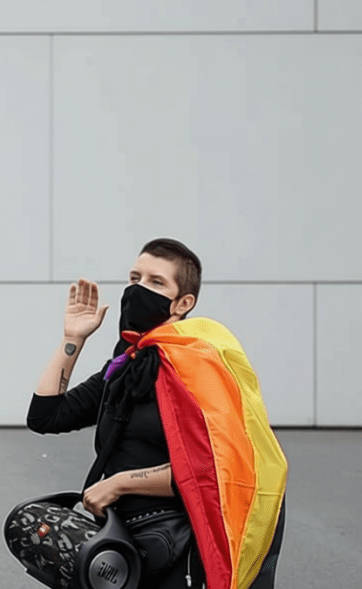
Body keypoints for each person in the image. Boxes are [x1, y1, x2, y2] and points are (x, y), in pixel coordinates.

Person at [25, 238, 286, 589]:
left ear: (183, 303)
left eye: (156, 282)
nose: (138, 289)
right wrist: (72, 339)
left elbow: (213, 467)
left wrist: (119, 484)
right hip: (120, 540)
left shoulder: (199, 370)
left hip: (178, 544)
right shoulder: (128, 367)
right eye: (134, 278)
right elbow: (45, 416)